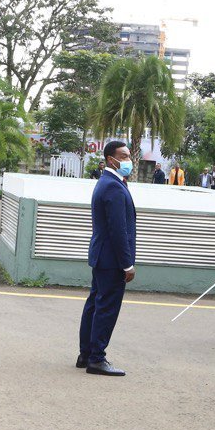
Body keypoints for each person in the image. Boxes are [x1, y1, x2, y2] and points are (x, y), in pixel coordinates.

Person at [77, 140, 136, 377]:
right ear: (111, 159)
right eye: (123, 156)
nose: (128, 160)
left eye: (129, 156)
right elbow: (118, 230)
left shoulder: (109, 182)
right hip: (112, 260)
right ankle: (97, 358)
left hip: (102, 257)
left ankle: (86, 354)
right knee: (106, 308)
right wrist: (127, 264)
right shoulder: (112, 186)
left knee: (95, 305)